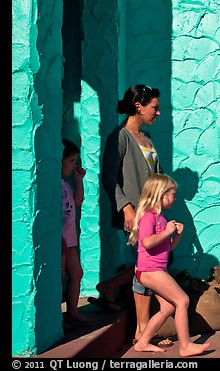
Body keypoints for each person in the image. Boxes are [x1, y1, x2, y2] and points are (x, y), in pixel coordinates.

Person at [88, 84, 172, 347]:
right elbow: (109, 177)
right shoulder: (120, 137)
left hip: (151, 214)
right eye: (154, 108)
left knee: (146, 266)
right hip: (134, 213)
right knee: (146, 268)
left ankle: (110, 287)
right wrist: (125, 207)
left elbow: (157, 174)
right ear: (138, 106)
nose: (158, 113)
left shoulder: (146, 138)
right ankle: (142, 329)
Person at [128, 174, 211, 356]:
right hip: (150, 270)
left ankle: (142, 343)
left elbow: (167, 247)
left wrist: (176, 235)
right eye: (172, 194)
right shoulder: (148, 216)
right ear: (161, 194)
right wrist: (167, 232)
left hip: (157, 269)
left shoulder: (161, 218)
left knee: (168, 307)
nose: (175, 198)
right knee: (182, 300)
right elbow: (147, 243)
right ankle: (185, 346)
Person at [61, 139, 94, 324]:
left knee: (76, 273)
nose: (75, 166)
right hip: (61, 241)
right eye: (72, 161)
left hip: (70, 240)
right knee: (60, 276)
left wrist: (78, 180)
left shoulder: (65, 184)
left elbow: (78, 201)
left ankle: (72, 311)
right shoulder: (54, 185)